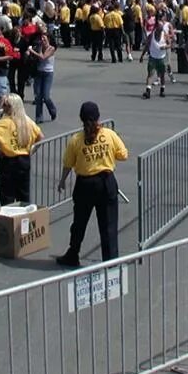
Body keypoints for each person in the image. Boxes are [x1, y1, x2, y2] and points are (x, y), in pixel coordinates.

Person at [55, 102, 127, 266]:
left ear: (81, 119)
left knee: (79, 222)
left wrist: (62, 181)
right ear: (98, 118)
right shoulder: (109, 135)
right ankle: (110, 261)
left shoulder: (76, 140)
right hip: (106, 181)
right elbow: (123, 154)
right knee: (108, 224)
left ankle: (73, 253)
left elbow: (68, 163)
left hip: (85, 184)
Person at [0, 94, 43, 206]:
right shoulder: (27, 121)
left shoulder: (3, 123)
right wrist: (31, 150)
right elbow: (40, 137)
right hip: (24, 161)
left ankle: (9, 220)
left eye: (6, 105)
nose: (3, 108)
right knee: (24, 196)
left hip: (8, 162)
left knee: (7, 198)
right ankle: (24, 220)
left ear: (12, 107)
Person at [30, 27, 58, 123]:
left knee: (46, 96)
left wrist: (32, 51)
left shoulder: (51, 48)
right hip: (39, 72)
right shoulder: (39, 46)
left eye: (45, 39)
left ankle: (52, 110)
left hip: (47, 73)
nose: (43, 40)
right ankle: (39, 117)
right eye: (42, 38)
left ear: (49, 39)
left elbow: (43, 57)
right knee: (38, 96)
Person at [140, 15, 170, 99]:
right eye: (159, 28)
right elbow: (147, 46)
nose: (161, 30)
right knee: (150, 74)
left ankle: (162, 90)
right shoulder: (151, 35)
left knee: (162, 75)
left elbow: (170, 44)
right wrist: (142, 56)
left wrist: (165, 47)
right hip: (152, 57)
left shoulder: (165, 35)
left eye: (162, 29)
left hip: (162, 58)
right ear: (156, 28)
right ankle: (148, 91)